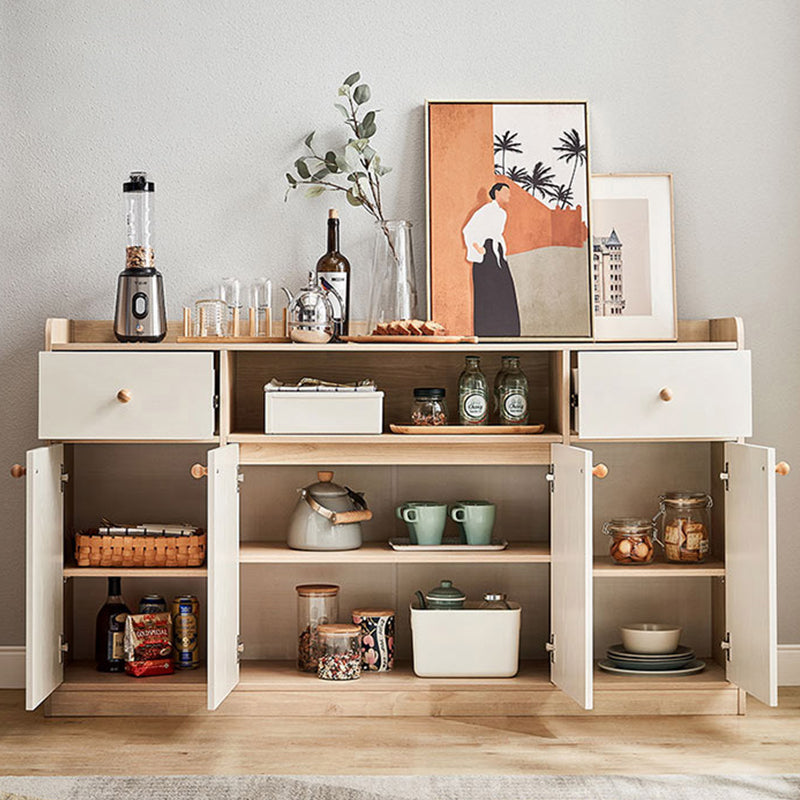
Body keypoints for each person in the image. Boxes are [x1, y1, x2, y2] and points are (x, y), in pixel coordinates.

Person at [462, 182, 521, 336]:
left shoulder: (502, 213)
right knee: (488, 293)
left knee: (504, 291)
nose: (509, 195)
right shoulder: (486, 210)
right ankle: (488, 331)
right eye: (505, 192)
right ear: (496, 193)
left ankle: (508, 332)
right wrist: (477, 247)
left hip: (498, 254)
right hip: (486, 254)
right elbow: (469, 230)